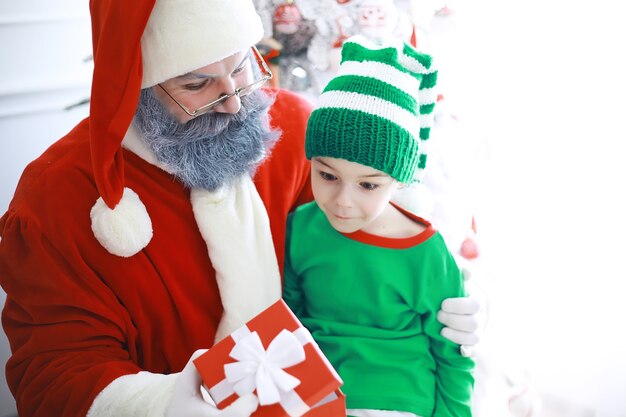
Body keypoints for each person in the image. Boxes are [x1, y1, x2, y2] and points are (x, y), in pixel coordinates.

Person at [0, 1, 482, 417]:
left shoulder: (295, 130)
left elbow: (352, 266)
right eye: (196, 84)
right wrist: (167, 401)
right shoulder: (56, 197)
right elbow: (53, 371)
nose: (232, 103)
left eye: (242, 68)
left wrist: (437, 304)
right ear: (135, 84)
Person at [283, 35, 474, 417]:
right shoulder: (300, 230)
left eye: (368, 184)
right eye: (327, 175)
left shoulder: (426, 251)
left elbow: (454, 356)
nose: (343, 201)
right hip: (316, 396)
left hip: (402, 400)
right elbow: (289, 321)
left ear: (398, 181)